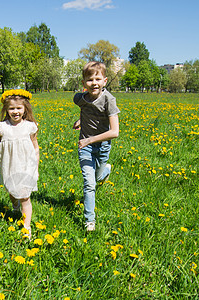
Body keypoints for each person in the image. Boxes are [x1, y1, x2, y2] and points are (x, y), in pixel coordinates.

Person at [0, 89, 39, 240]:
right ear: (6, 109)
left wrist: (35, 167)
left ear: (25, 109)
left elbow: (36, 147)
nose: (15, 111)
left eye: (19, 108)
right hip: (9, 166)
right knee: (12, 192)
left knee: (25, 196)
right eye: (12, 108)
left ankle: (26, 228)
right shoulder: (2, 127)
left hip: (26, 167)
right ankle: (15, 206)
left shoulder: (30, 126)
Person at [72, 62, 120, 232]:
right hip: (84, 147)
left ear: (105, 81)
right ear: (84, 83)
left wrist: (90, 139)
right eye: (90, 79)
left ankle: (105, 170)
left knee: (98, 177)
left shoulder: (109, 100)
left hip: (102, 146)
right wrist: (81, 121)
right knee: (89, 183)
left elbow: (114, 132)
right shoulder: (80, 98)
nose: (94, 82)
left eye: (98, 78)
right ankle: (89, 221)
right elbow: (85, 110)